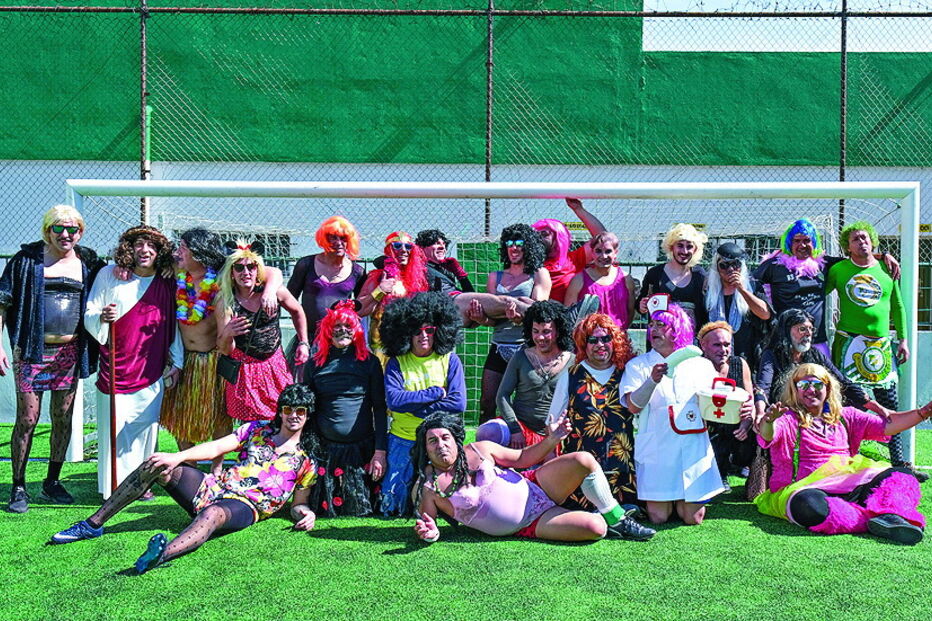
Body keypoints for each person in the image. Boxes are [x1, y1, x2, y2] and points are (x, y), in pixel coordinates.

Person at [49, 384, 321, 572]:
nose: (293, 416)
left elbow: (299, 502)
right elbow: (216, 447)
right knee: (155, 463)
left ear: (308, 415)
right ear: (280, 410)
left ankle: (160, 555)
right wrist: (176, 457)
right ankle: (92, 524)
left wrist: (305, 513)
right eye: (287, 409)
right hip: (214, 487)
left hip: (246, 507)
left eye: (300, 411)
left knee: (213, 514)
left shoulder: (306, 458)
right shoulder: (257, 429)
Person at [0, 205, 106, 513]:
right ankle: (18, 486)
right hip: (32, 351)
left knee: (63, 416)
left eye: (72, 229)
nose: (65, 234)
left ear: (80, 232)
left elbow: (112, 280)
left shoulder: (88, 262)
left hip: (69, 353)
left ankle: (52, 481)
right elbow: (2, 302)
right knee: (28, 419)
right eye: (59, 228)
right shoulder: (26, 260)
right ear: (47, 230)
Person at [411, 412, 655, 543]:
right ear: (425, 448)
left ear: (456, 439)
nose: (441, 445)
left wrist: (553, 438)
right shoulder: (429, 488)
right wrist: (430, 534)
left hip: (535, 485)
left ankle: (617, 517)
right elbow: (427, 525)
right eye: (433, 441)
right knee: (596, 528)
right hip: (530, 524)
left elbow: (522, 459)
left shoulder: (479, 449)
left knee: (583, 460)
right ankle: (600, 517)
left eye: (445, 438)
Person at [755, 364, 930, 544]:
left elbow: (890, 425)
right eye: (803, 386)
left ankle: (885, 517)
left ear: (828, 388)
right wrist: (768, 421)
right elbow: (769, 433)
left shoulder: (847, 416)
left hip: (851, 484)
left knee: (901, 475)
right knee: (807, 505)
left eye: (817, 384)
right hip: (808, 490)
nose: (810, 390)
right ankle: (880, 518)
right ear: (794, 390)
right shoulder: (788, 419)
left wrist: (923, 413)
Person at [85, 225, 183, 498]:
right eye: (139, 244)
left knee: (145, 427)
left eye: (151, 246)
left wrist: (177, 362)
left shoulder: (167, 281)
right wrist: (102, 317)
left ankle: (141, 484)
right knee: (113, 429)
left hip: (151, 366)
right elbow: (90, 311)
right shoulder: (110, 275)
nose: (145, 250)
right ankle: (112, 486)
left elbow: (174, 326)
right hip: (116, 366)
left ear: (160, 251)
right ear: (129, 248)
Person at [824, 220, 918, 477]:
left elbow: (898, 306)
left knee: (890, 402)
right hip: (848, 344)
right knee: (852, 403)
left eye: (865, 238)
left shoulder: (887, 269)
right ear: (847, 246)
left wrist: (904, 339)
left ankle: (899, 462)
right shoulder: (839, 270)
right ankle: (845, 458)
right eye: (855, 239)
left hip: (881, 348)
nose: (861, 242)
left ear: (873, 241)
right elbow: (816, 288)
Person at [621, 302, 728, 524]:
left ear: (678, 328)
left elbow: (717, 405)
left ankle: (684, 501)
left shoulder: (700, 364)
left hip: (692, 447)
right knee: (658, 517)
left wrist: (740, 404)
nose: (654, 329)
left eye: (662, 324)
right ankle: (666, 501)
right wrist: (652, 380)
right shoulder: (638, 365)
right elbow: (633, 406)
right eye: (651, 324)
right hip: (657, 447)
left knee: (694, 518)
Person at [753, 218, 898, 357]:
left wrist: (882, 256)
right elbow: (752, 283)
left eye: (807, 240)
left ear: (814, 242)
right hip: (785, 339)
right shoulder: (774, 265)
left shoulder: (825, 264)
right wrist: (766, 305)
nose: (802, 245)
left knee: (823, 380)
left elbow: (855, 261)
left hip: (817, 340)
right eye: (797, 241)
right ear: (789, 243)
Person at [380, 292, 466, 515]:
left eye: (429, 330)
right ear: (405, 333)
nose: (423, 336)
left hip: (438, 442)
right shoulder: (396, 362)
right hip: (403, 438)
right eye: (417, 331)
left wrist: (416, 408)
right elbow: (395, 401)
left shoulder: (450, 359)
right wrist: (435, 393)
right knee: (391, 507)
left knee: (448, 501)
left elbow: (458, 403)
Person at [303, 301, 388, 516]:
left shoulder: (370, 363)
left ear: (357, 330)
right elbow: (308, 410)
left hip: (362, 449)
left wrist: (380, 452)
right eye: (337, 326)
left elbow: (379, 408)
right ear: (328, 331)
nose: (342, 330)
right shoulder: (314, 365)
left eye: (348, 326)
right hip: (326, 448)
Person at [547, 312, 638, 508]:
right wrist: (555, 431)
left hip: (621, 468)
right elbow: (552, 420)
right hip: (582, 468)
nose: (600, 345)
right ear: (583, 344)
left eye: (606, 339)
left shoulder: (627, 372)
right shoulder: (571, 374)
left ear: (615, 342)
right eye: (593, 340)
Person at [160, 228, 229, 476]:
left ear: (199, 254)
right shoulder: (178, 275)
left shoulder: (220, 283)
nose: (178, 253)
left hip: (212, 360)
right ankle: (189, 466)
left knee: (219, 416)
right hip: (183, 359)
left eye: (183, 248)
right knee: (179, 414)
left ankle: (218, 467)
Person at [216, 241, 308, 421]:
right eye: (239, 268)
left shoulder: (274, 291)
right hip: (244, 368)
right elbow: (224, 349)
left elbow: (298, 311)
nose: (246, 272)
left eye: (251, 267)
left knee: (283, 414)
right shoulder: (225, 302)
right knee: (249, 423)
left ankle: (280, 449)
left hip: (274, 364)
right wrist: (228, 333)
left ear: (258, 269)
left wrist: (303, 342)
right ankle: (251, 450)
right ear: (232, 273)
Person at [754, 309, 893, 426]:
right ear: (786, 332)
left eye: (810, 329)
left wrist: (878, 408)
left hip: (814, 416)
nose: (808, 334)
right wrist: (761, 413)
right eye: (802, 329)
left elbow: (843, 382)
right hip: (785, 417)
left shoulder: (815, 354)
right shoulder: (772, 355)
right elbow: (763, 387)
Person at [475, 224, 551, 423]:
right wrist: (481, 318)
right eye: (509, 243)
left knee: (526, 403)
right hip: (499, 346)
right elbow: (492, 320)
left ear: (529, 246)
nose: (514, 247)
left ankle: (528, 448)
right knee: (487, 401)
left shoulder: (539, 274)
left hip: (526, 348)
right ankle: (485, 444)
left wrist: (520, 318)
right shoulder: (495, 277)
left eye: (519, 243)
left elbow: (539, 312)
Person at [287, 216, 366, 373]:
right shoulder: (306, 264)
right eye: (332, 238)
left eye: (343, 238)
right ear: (323, 239)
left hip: (339, 339)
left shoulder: (357, 271)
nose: (338, 243)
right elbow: (289, 299)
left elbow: (361, 307)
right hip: (308, 339)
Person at [493, 300, 573, 450]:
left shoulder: (573, 361)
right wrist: (514, 428)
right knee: (489, 431)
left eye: (546, 332)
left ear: (558, 331)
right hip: (521, 428)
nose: (540, 338)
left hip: (556, 433)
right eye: (535, 331)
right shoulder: (520, 357)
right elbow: (502, 395)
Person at [697, 321, 755, 491]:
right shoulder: (695, 366)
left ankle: (746, 470)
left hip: (734, 424)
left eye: (727, 344)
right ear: (703, 345)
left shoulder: (739, 363)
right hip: (707, 426)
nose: (723, 350)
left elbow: (749, 399)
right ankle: (717, 475)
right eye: (717, 345)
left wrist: (747, 423)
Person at [357, 231, 428, 362]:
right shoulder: (378, 276)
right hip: (382, 342)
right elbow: (359, 310)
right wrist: (381, 290)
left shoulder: (418, 279)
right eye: (397, 246)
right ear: (389, 250)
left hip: (410, 341)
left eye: (408, 247)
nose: (403, 250)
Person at [702, 242, 771, 369]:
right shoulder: (708, 292)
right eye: (724, 265)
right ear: (717, 268)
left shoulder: (753, 287)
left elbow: (765, 314)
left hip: (746, 356)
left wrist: (742, 289)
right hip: (715, 359)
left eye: (736, 265)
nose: (730, 270)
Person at [532, 198, 606, 305]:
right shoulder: (531, 263)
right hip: (541, 317)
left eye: (545, 234)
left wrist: (579, 210)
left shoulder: (574, 259)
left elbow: (603, 239)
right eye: (537, 235)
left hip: (568, 315)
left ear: (559, 237)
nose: (539, 238)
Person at [635, 223, 709, 331]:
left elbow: (705, 310)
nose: (684, 251)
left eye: (689, 246)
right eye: (680, 246)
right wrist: (642, 306)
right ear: (671, 247)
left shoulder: (700, 275)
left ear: (695, 250)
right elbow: (640, 303)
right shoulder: (655, 274)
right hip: (661, 339)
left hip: (691, 340)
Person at [564, 231, 636, 330]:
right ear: (592, 253)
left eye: (608, 251)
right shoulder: (579, 280)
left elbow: (630, 311)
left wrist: (621, 334)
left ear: (616, 253)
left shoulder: (626, 279)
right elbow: (569, 315)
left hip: (618, 340)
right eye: (598, 251)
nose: (603, 256)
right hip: (589, 342)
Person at [416, 229, 474, 294]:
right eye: (437, 243)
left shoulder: (446, 270)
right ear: (422, 248)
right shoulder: (420, 270)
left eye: (444, 244)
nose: (442, 247)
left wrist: (461, 275)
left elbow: (472, 296)